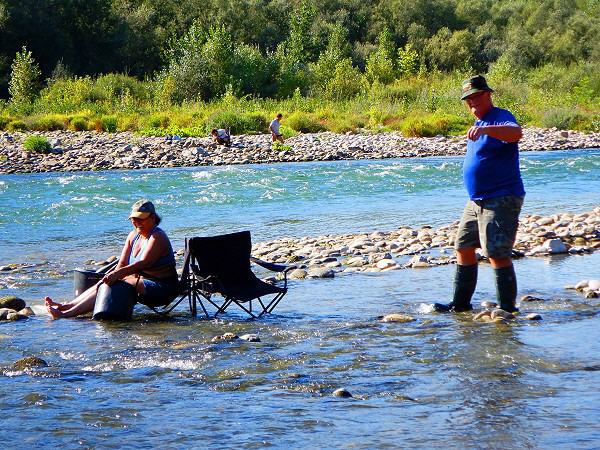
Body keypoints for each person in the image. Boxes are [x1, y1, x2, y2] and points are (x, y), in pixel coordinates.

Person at [433, 75, 525, 314]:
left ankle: (507, 310)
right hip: (477, 200)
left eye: (476, 97)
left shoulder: (500, 117)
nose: (472, 102)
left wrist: (487, 129)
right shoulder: (478, 123)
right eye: (468, 99)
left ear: (488, 94)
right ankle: (460, 305)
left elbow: (515, 133)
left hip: (502, 197)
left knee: (497, 252)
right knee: (463, 246)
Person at [45, 199, 178, 319]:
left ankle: (67, 314)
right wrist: (111, 276)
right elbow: (122, 263)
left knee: (116, 281)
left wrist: (117, 276)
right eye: (134, 219)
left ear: (152, 217)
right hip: (139, 282)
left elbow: (142, 263)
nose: (137, 222)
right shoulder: (133, 236)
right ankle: (67, 306)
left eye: (141, 219)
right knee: (105, 281)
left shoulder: (157, 236)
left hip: (162, 287)